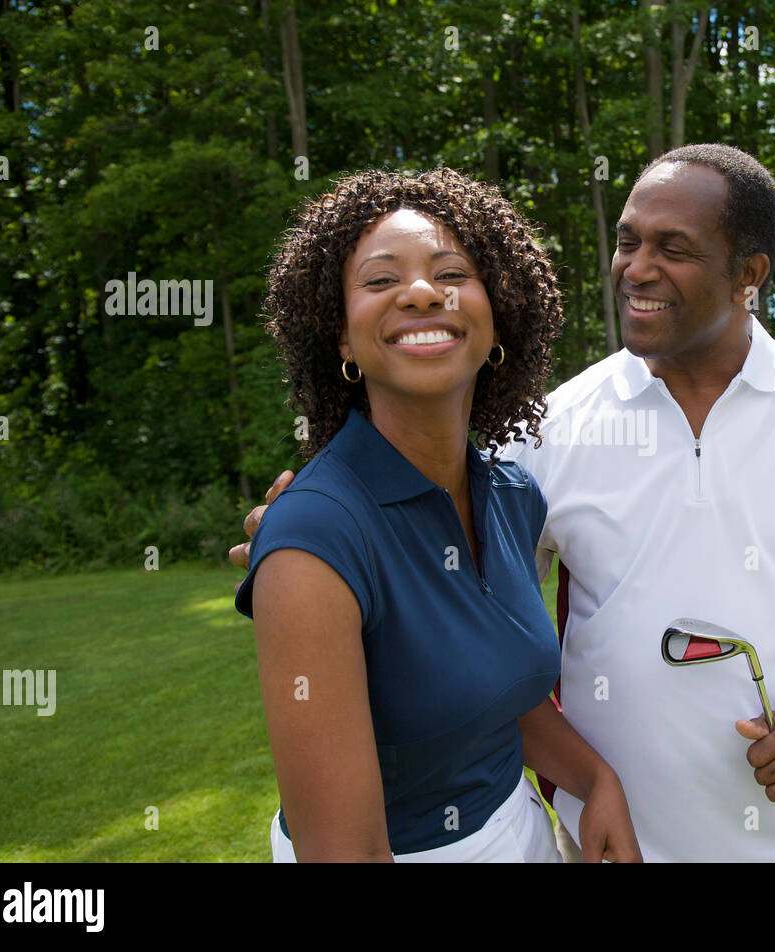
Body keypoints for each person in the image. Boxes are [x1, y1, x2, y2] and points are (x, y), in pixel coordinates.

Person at [236, 146, 775, 862]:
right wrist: (304, 540)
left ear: (748, 276)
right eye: (627, 241)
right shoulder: (544, 434)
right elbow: (422, 554)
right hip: (608, 847)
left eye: (674, 248)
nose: (636, 268)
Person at [233, 166, 641, 862]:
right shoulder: (313, 539)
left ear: (497, 314)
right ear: (339, 338)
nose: (422, 293)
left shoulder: (514, 497)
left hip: (522, 830)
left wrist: (595, 778)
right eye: (380, 280)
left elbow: (493, 689)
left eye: (451, 272)